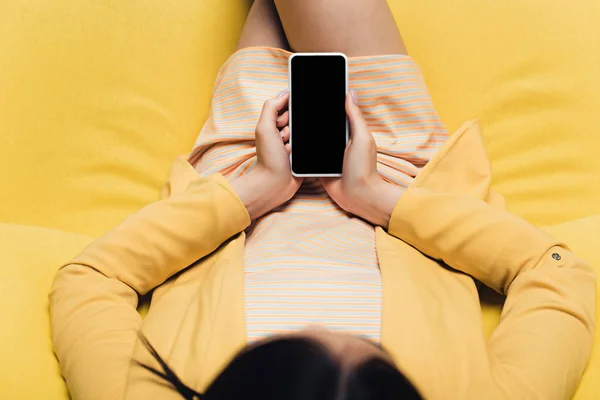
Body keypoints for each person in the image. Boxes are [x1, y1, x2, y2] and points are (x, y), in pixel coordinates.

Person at [49, 0, 596, 399]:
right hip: (392, 167)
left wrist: (250, 192)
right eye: (374, 357)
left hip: (242, 169)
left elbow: (90, 279)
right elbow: (555, 273)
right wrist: (377, 197)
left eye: (290, 346)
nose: (322, 323)